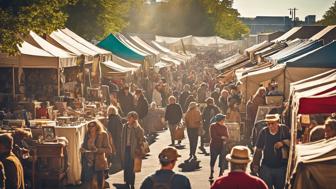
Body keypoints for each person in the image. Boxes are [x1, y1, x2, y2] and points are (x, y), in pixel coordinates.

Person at [251, 114, 290, 189]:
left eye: (272, 123)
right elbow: (258, 149)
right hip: (266, 167)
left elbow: (293, 143)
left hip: (281, 167)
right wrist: (255, 164)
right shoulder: (264, 132)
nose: (270, 126)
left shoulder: (284, 130)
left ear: (278, 122)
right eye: (268, 124)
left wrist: (283, 143)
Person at [80, 121, 112, 189]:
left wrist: (97, 150)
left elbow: (109, 150)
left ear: (97, 126)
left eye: (92, 126)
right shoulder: (87, 135)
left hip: (99, 162)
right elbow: (84, 146)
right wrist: (82, 149)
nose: (91, 128)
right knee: (89, 183)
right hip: (88, 162)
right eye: (89, 126)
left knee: (99, 184)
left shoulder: (103, 134)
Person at [121, 111, 145, 189]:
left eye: (131, 118)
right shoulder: (125, 126)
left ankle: (132, 183)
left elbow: (141, 137)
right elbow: (122, 138)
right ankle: (127, 182)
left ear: (135, 119)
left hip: (134, 150)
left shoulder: (137, 128)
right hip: (126, 149)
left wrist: (136, 128)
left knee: (132, 167)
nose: (129, 119)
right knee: (126, 167)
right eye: (129, 118)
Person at [209, 114, 229, 179]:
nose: (224, 121)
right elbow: (213, 136)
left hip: (222, 145)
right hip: (214, 145)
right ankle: (211, 171)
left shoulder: (224, 127)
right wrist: (221, 137)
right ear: (219, 120)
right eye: (223, 119)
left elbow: (227, 136)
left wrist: (225, 139)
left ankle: (221, 173)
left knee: (223, 159)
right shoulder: (213, 126)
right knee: (213, 158)